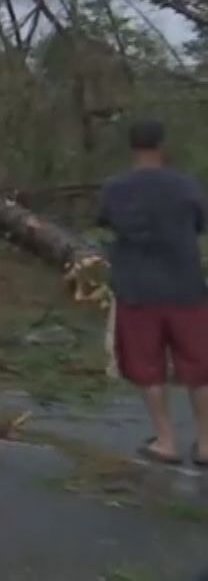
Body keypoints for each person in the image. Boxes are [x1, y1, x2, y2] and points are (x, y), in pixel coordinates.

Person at [99, 118, 208, 465]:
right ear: (162, 145)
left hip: (137, 289)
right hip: (186, 287)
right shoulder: (187, 185)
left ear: (132, 147)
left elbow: (105, 221)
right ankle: (206, 444)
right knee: (199, 367)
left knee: (148, 366)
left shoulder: (115, 188)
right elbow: (202, 224)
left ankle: (166, 441)